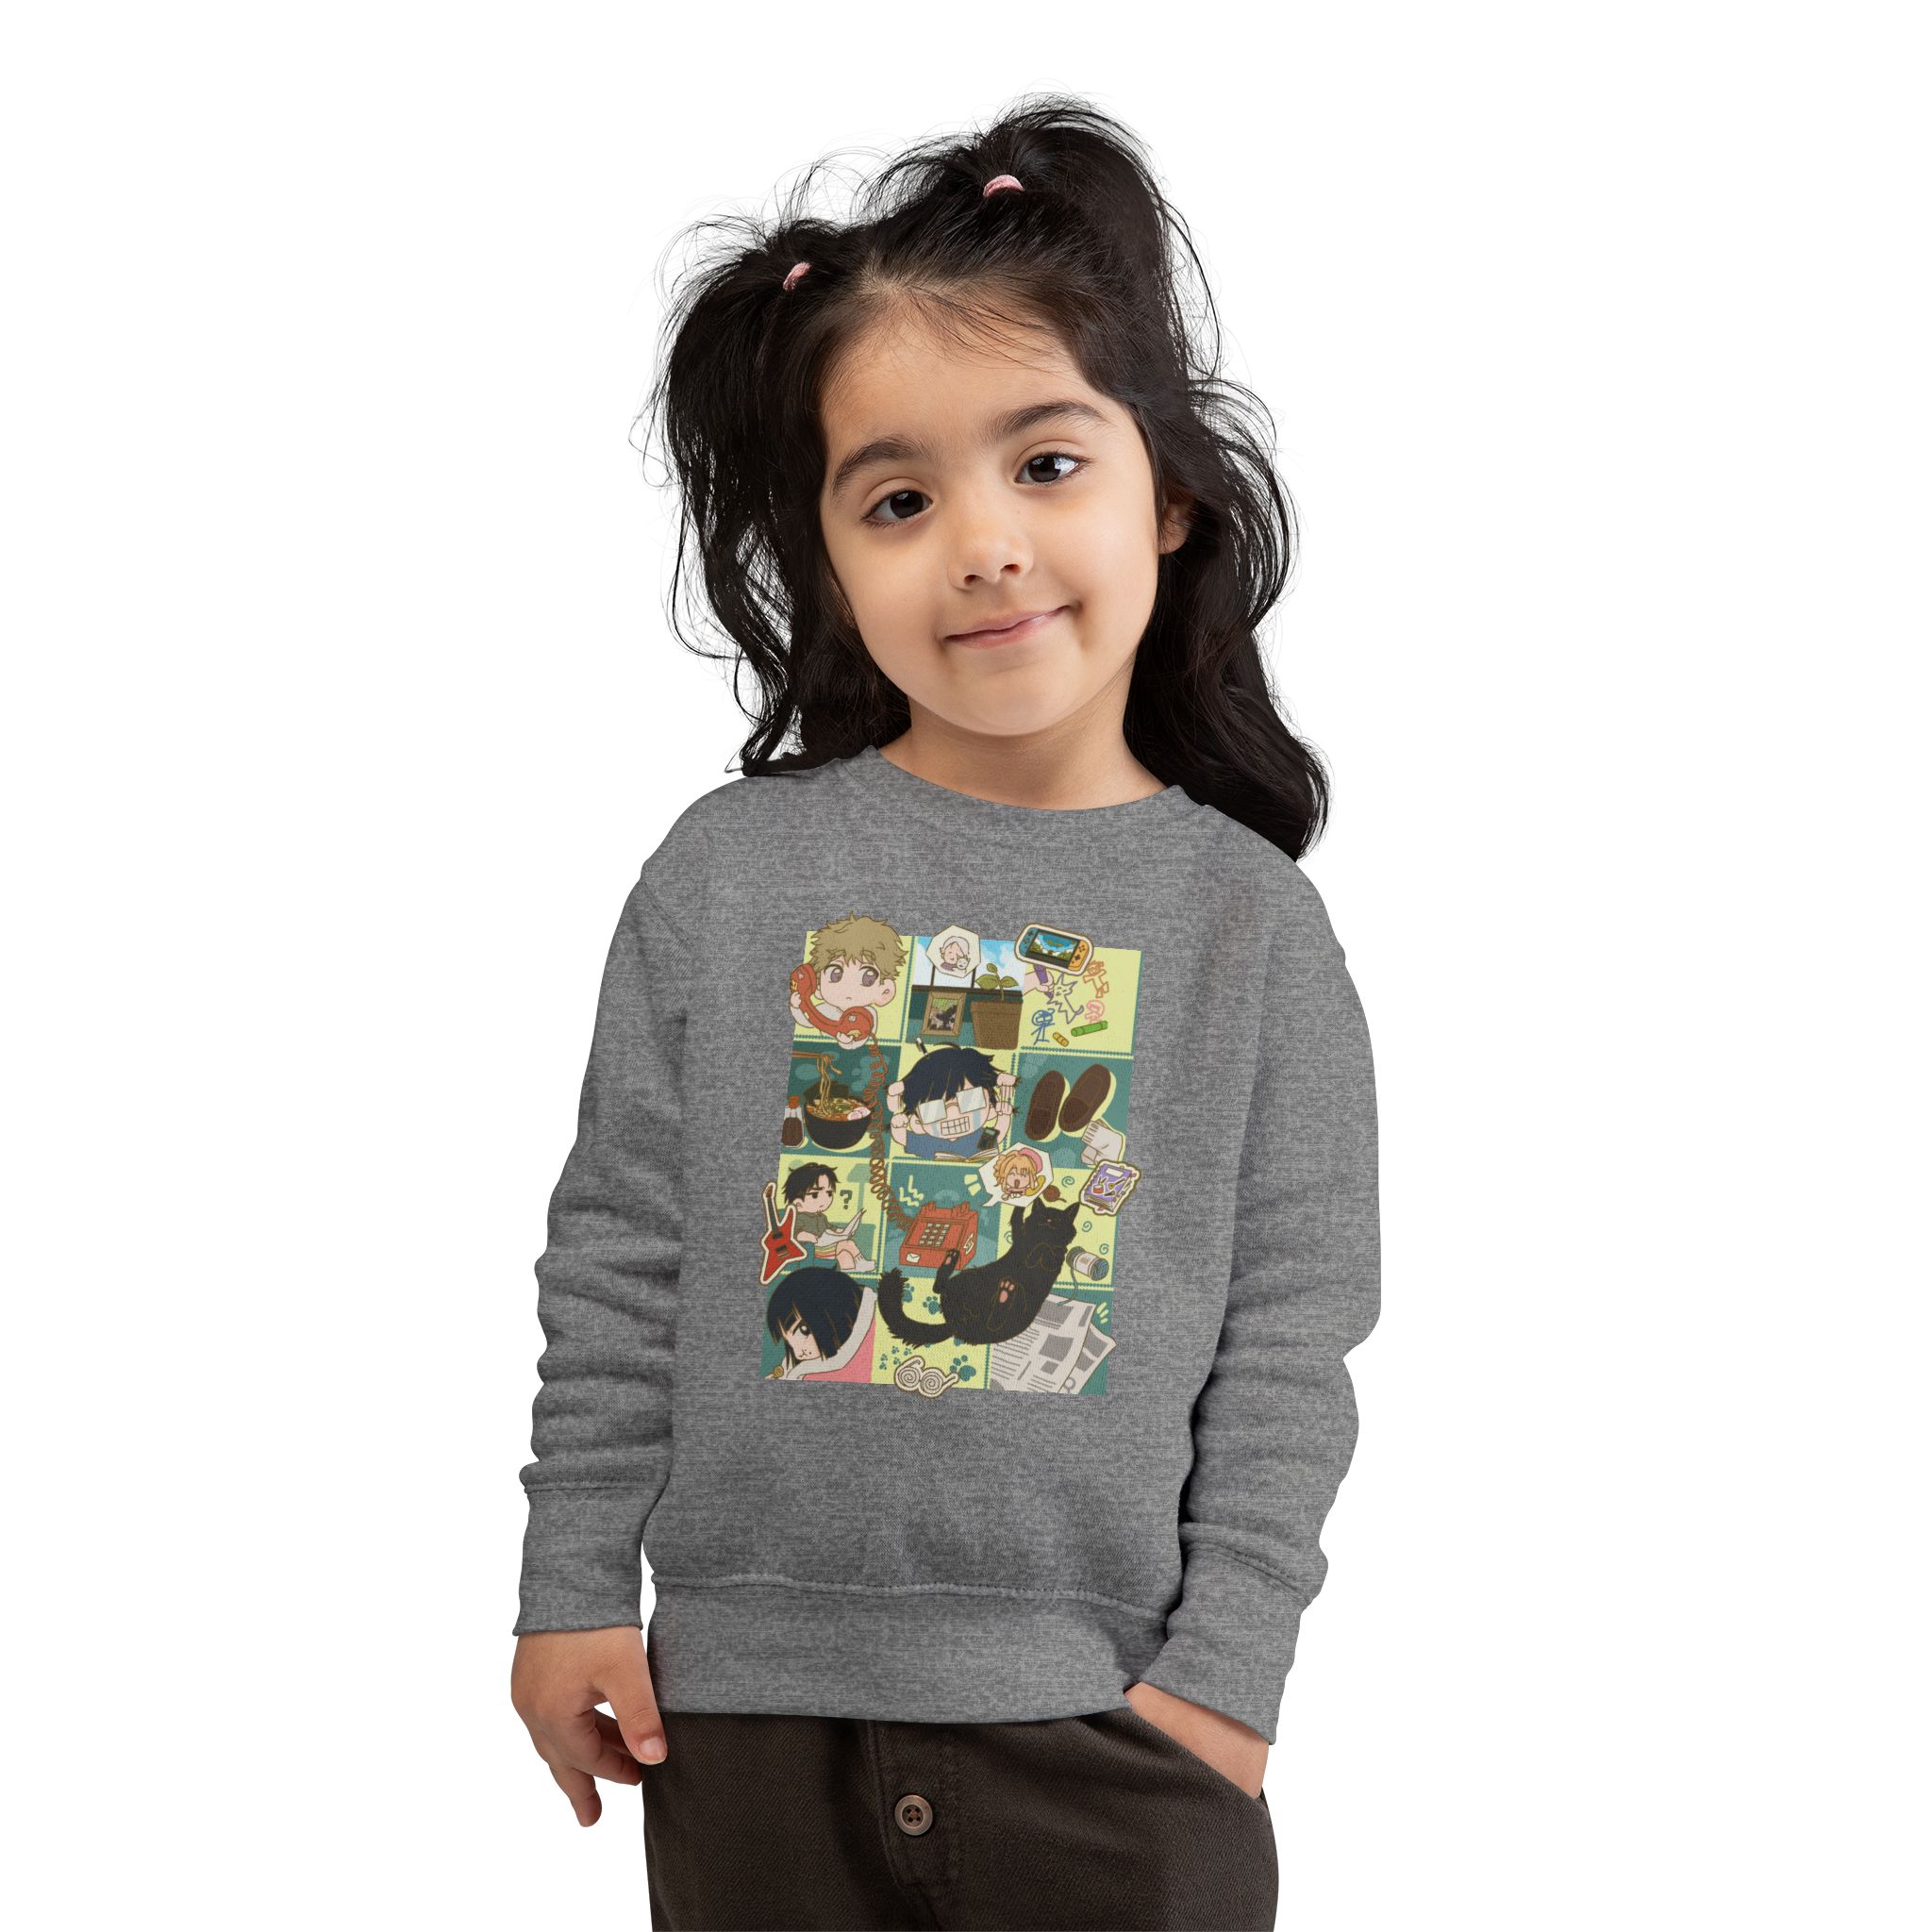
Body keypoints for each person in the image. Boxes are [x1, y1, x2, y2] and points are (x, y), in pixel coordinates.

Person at [510, 94, 1380, 1932]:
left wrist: (1222, 1681)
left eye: (1045, 464)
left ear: (1170, 492)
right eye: (899, 499)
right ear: (829, 559)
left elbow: (1294, 1333)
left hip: (1111, 1736)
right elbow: (622, 1248)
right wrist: (571, 1578)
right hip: (746, 1724)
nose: (982, 544)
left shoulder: (1250, 928)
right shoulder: (728, 877)